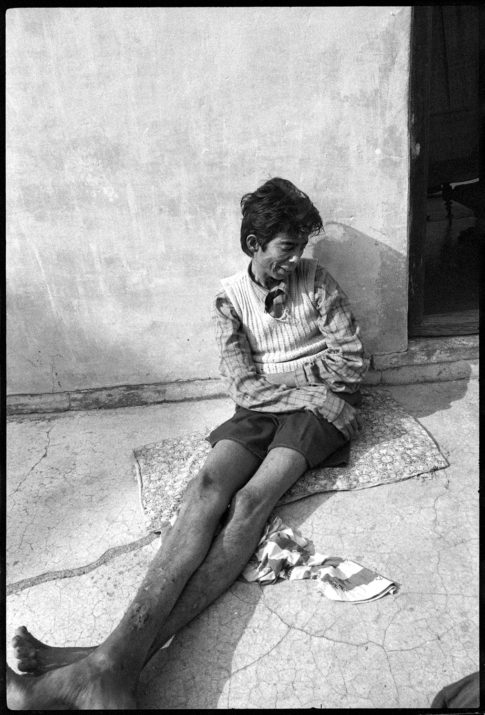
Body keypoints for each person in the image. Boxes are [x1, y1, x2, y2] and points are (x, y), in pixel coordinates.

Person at [7, 177, 369, 709]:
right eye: (286, 248)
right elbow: (241, 386)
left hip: (320, 411)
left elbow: (352, 364)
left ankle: (103, 661)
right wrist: (299, 384)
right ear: (254, 245)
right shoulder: (229, 297)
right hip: (267, 407)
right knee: (203, 488)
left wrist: (288, 384)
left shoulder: (317, 282)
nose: (295, 259)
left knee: (249, 502)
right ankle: (106, 667)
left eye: (300, 248)